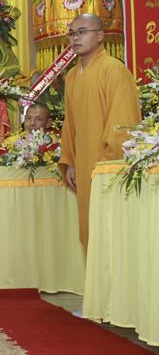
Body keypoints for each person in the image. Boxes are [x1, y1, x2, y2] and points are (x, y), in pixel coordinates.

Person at [59, 13, 141, 249]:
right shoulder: (72, 76)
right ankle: (94, 274)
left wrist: (108, 164)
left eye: (82, 32)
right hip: (83, 165)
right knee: (90, 228)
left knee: (110, 229)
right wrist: (70, 162)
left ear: (100, 36)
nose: (75, 38)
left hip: (107, 166)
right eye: (72, 34)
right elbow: (70, 123)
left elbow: (123, 121)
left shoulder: (113, 69)